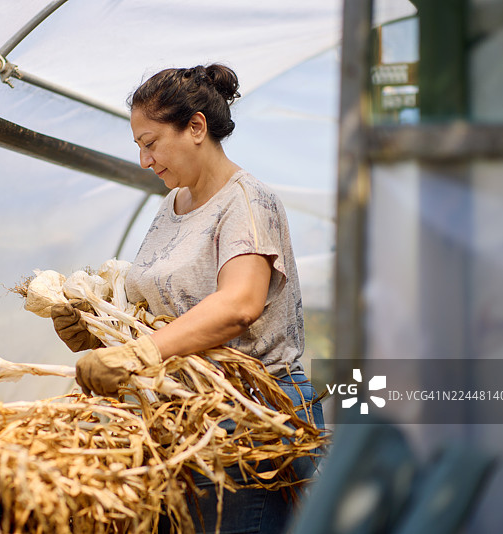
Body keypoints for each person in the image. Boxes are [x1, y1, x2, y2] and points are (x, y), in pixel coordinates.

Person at [50, 64, 324, 534]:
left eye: (150, 143)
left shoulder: (247, 201)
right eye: (138, 146)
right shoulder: (170, 206)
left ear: (196, 127)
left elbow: (239, 305)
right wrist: (100, 334)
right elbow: (168, 315)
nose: (144, 160)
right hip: (181, 418)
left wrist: (138, 354)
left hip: (246, 420)